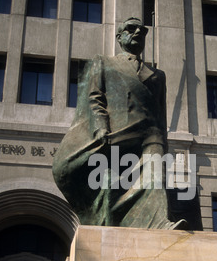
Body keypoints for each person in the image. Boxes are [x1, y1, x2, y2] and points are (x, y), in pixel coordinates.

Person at [52, 17, 188, 230]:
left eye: (141, 31)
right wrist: (100, 125)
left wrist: (163, 142)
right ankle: (112, 217)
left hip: (149, 134)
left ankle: (159, 223)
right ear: (119, 36)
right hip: (117, 131)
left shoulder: (158, 75)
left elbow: (160, 113)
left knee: (154, 168)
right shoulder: (104, 62)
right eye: (130, 29)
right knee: (100, 176)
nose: (137, 33)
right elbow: (94, 97)